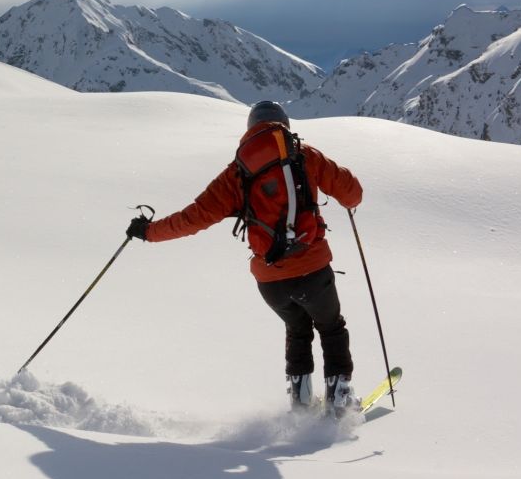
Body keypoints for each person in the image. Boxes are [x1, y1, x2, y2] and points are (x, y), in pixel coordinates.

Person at [124, 100, 364, 413]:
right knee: (331, 329)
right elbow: (353, 193)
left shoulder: (237, 173)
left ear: (250, 131)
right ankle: (340, 405)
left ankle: (301, 406)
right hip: (313, 270)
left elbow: (194, 217)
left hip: (270, 280)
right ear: (284, 126)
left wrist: (149, 231)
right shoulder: (305, 155)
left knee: (297, 330)